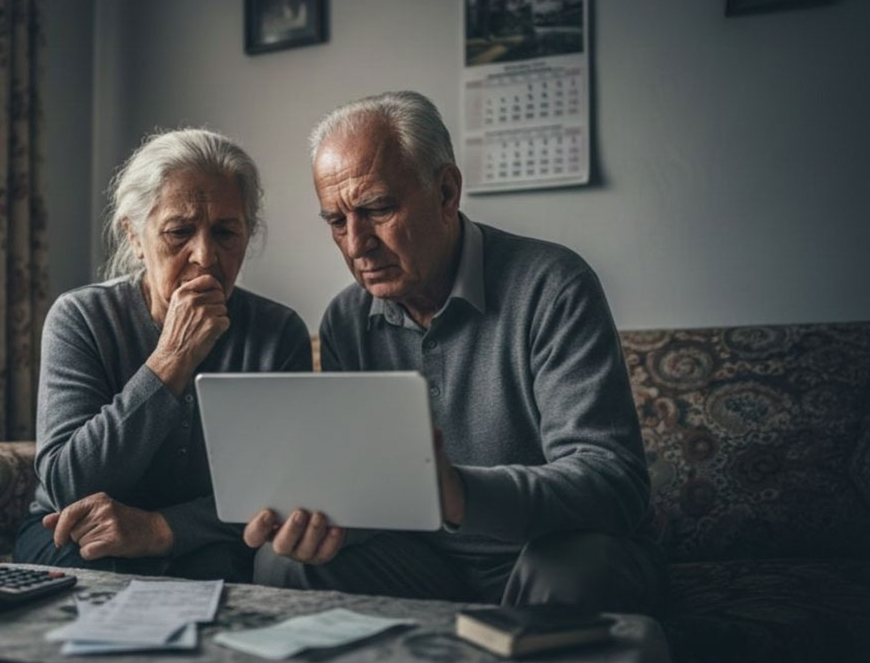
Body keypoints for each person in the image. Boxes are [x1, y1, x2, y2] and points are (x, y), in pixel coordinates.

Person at [244, 91, 665, 613]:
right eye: (336, 221)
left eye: (376, 209)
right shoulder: (345, 320)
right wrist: (322, 520)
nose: (356, 245)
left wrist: (458, 492)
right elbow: (370, 492)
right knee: (282, 562)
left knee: (570, 575)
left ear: (446, 192)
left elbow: (612, 483)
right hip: (428, 567)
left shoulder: (553, 285)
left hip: (551, 552)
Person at [15, 128, 313, 581]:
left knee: (217, 580)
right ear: (134, 236)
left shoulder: (278, 333)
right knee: (100, 579)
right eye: (179, 232)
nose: (205, 256)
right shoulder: (80, 318)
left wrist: (161, 528)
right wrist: (171, 358)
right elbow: (66, 484)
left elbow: (282, 492)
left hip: (207, 541)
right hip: (78, 535)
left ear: (247, 237)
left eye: (226, 233)